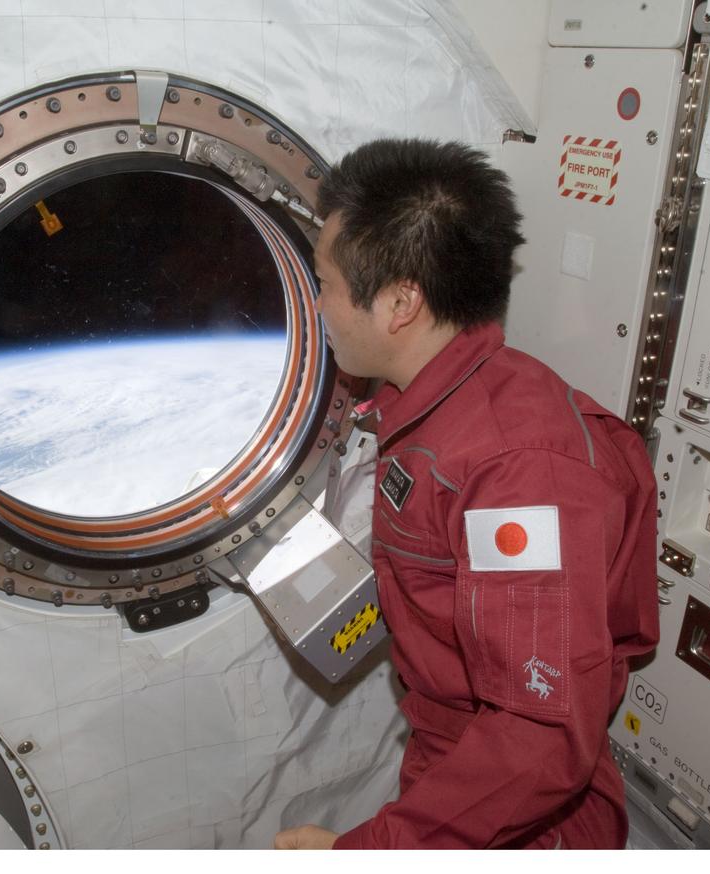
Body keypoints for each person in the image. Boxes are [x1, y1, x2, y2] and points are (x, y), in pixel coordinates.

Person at [274, 139, 659, 850]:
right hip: (456, 771)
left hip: (523, 814)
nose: (317, 305)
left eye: (324, 283)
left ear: (400, 303)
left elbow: (540, 737)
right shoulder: (426, 398)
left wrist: (366, 855)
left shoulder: (519, 474)